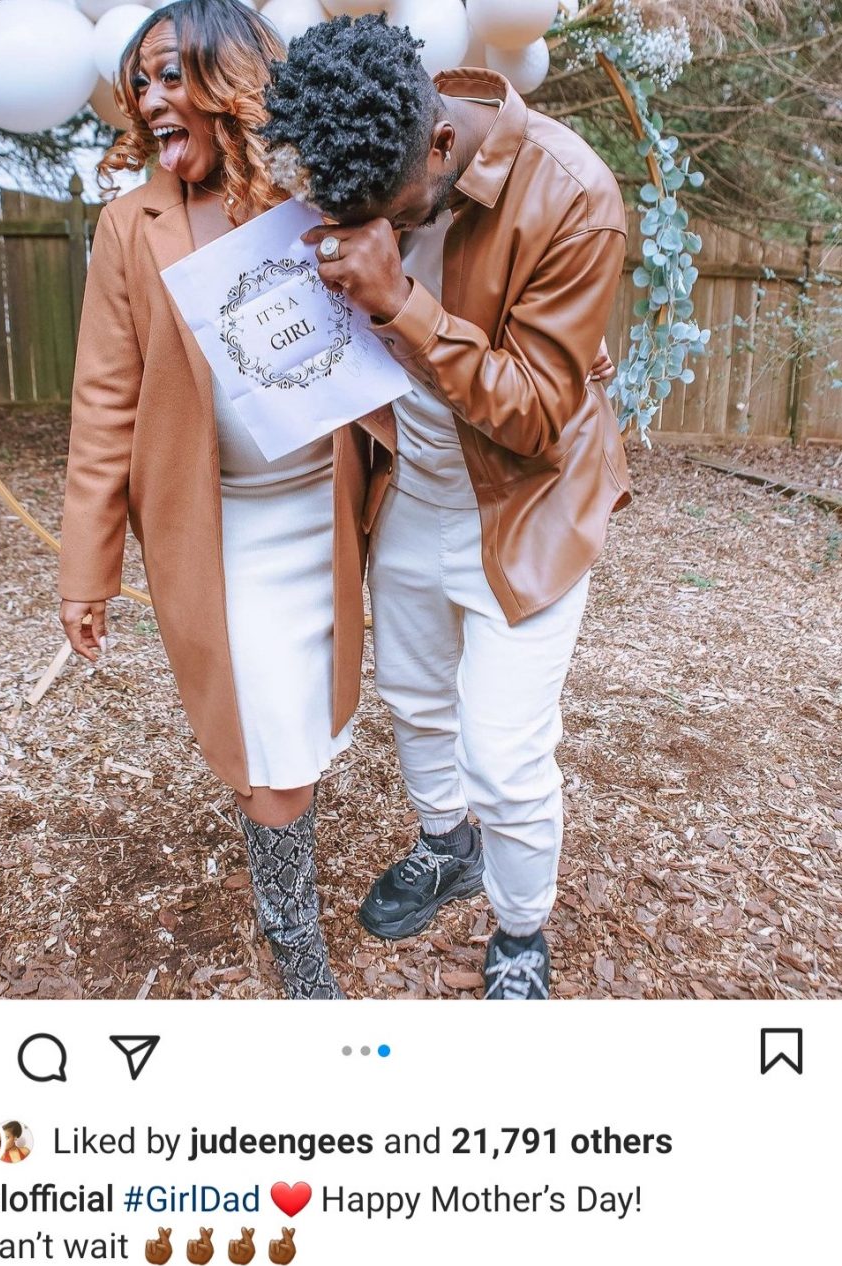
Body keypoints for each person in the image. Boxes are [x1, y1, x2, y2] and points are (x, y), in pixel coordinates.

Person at [262, 16, 631, 998]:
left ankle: (520, 933)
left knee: (503, 756)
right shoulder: (358, 155)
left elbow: (539, 418)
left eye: (388, 217)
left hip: (525, 503)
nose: (366, 235)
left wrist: (399, 300)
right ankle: (445, 847)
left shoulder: (571, 193)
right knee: (415, 699)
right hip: (413, 486)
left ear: (438, 144)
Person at [58, 0, 372, 999]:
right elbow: (103, 405)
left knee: (300, 731)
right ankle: (295, 942)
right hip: (223, 526)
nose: (151, 99)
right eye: (139, 83)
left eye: (171, 75)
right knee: (268, 744)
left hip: (327, 512)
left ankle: (288, 869)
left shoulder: (315, 197)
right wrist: (86, 570)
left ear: (231, 82)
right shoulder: (130, 226)